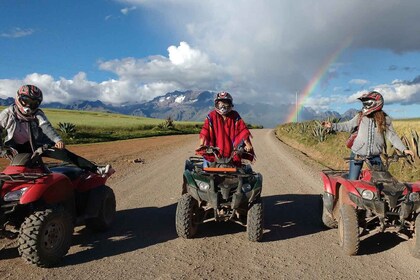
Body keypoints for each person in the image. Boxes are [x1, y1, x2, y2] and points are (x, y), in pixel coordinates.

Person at [0, 84, 113, 176]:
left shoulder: (37, 114)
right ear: (18, 98)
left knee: (66, 155)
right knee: (22, 169)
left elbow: (46, 127)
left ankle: (96, 169)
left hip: (39, 145)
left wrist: (57, 140)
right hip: (17, 147)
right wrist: (2, 149)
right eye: (26, 101)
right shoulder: (7, 114)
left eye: (33, 103)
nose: (29, 105)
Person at [322, 90, 414, 180]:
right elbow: (348, 126)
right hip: (357, 153)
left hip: (374, 156)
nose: (365, 106)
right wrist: (332, 126)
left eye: (368, 103)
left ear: (377, 103)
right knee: (353, 180)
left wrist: (404, 149)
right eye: (364, 103)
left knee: (382, 180)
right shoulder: (361, 116)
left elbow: (392, 136)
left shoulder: (385, 119)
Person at [198, 91, 255, 166]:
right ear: (216, 104)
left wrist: (248, 145)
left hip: (232, 151)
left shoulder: (234, 115)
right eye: (220, 104)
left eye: (225, 104)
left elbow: (242, 130)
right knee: (206, 168)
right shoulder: (211, 116)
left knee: (239, 170)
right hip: (214, 151)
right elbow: (205, 131)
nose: (223, 107)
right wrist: (202, 145)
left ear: (230, 104)